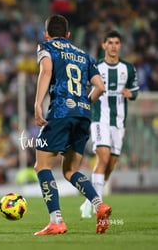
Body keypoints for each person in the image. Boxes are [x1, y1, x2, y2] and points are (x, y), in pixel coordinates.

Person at [33, 14, 111, 235]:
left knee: (42, 166)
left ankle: (56, 221)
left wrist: (38, 103)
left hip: (60, 111)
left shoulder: (46, 46)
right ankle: (99, 205)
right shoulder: (83, 54)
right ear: (68, 35)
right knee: (70, 170)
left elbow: (46, 70)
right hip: (83, 114)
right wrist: (84, 103)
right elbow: (100, 87)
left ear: (46, 33)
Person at [80, 30, 139, 218]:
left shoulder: (128, 68)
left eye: (116, 42)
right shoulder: (96, 66)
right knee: (103, 159)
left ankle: (89, 201)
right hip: (99, 120)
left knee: (110, 166)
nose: (113, 46)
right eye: (110, 42)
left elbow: (135, 90)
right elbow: (85, 89)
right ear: (103, 45)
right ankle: (99, 207)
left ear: (120, 46)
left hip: (119, 122)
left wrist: (131, 94)